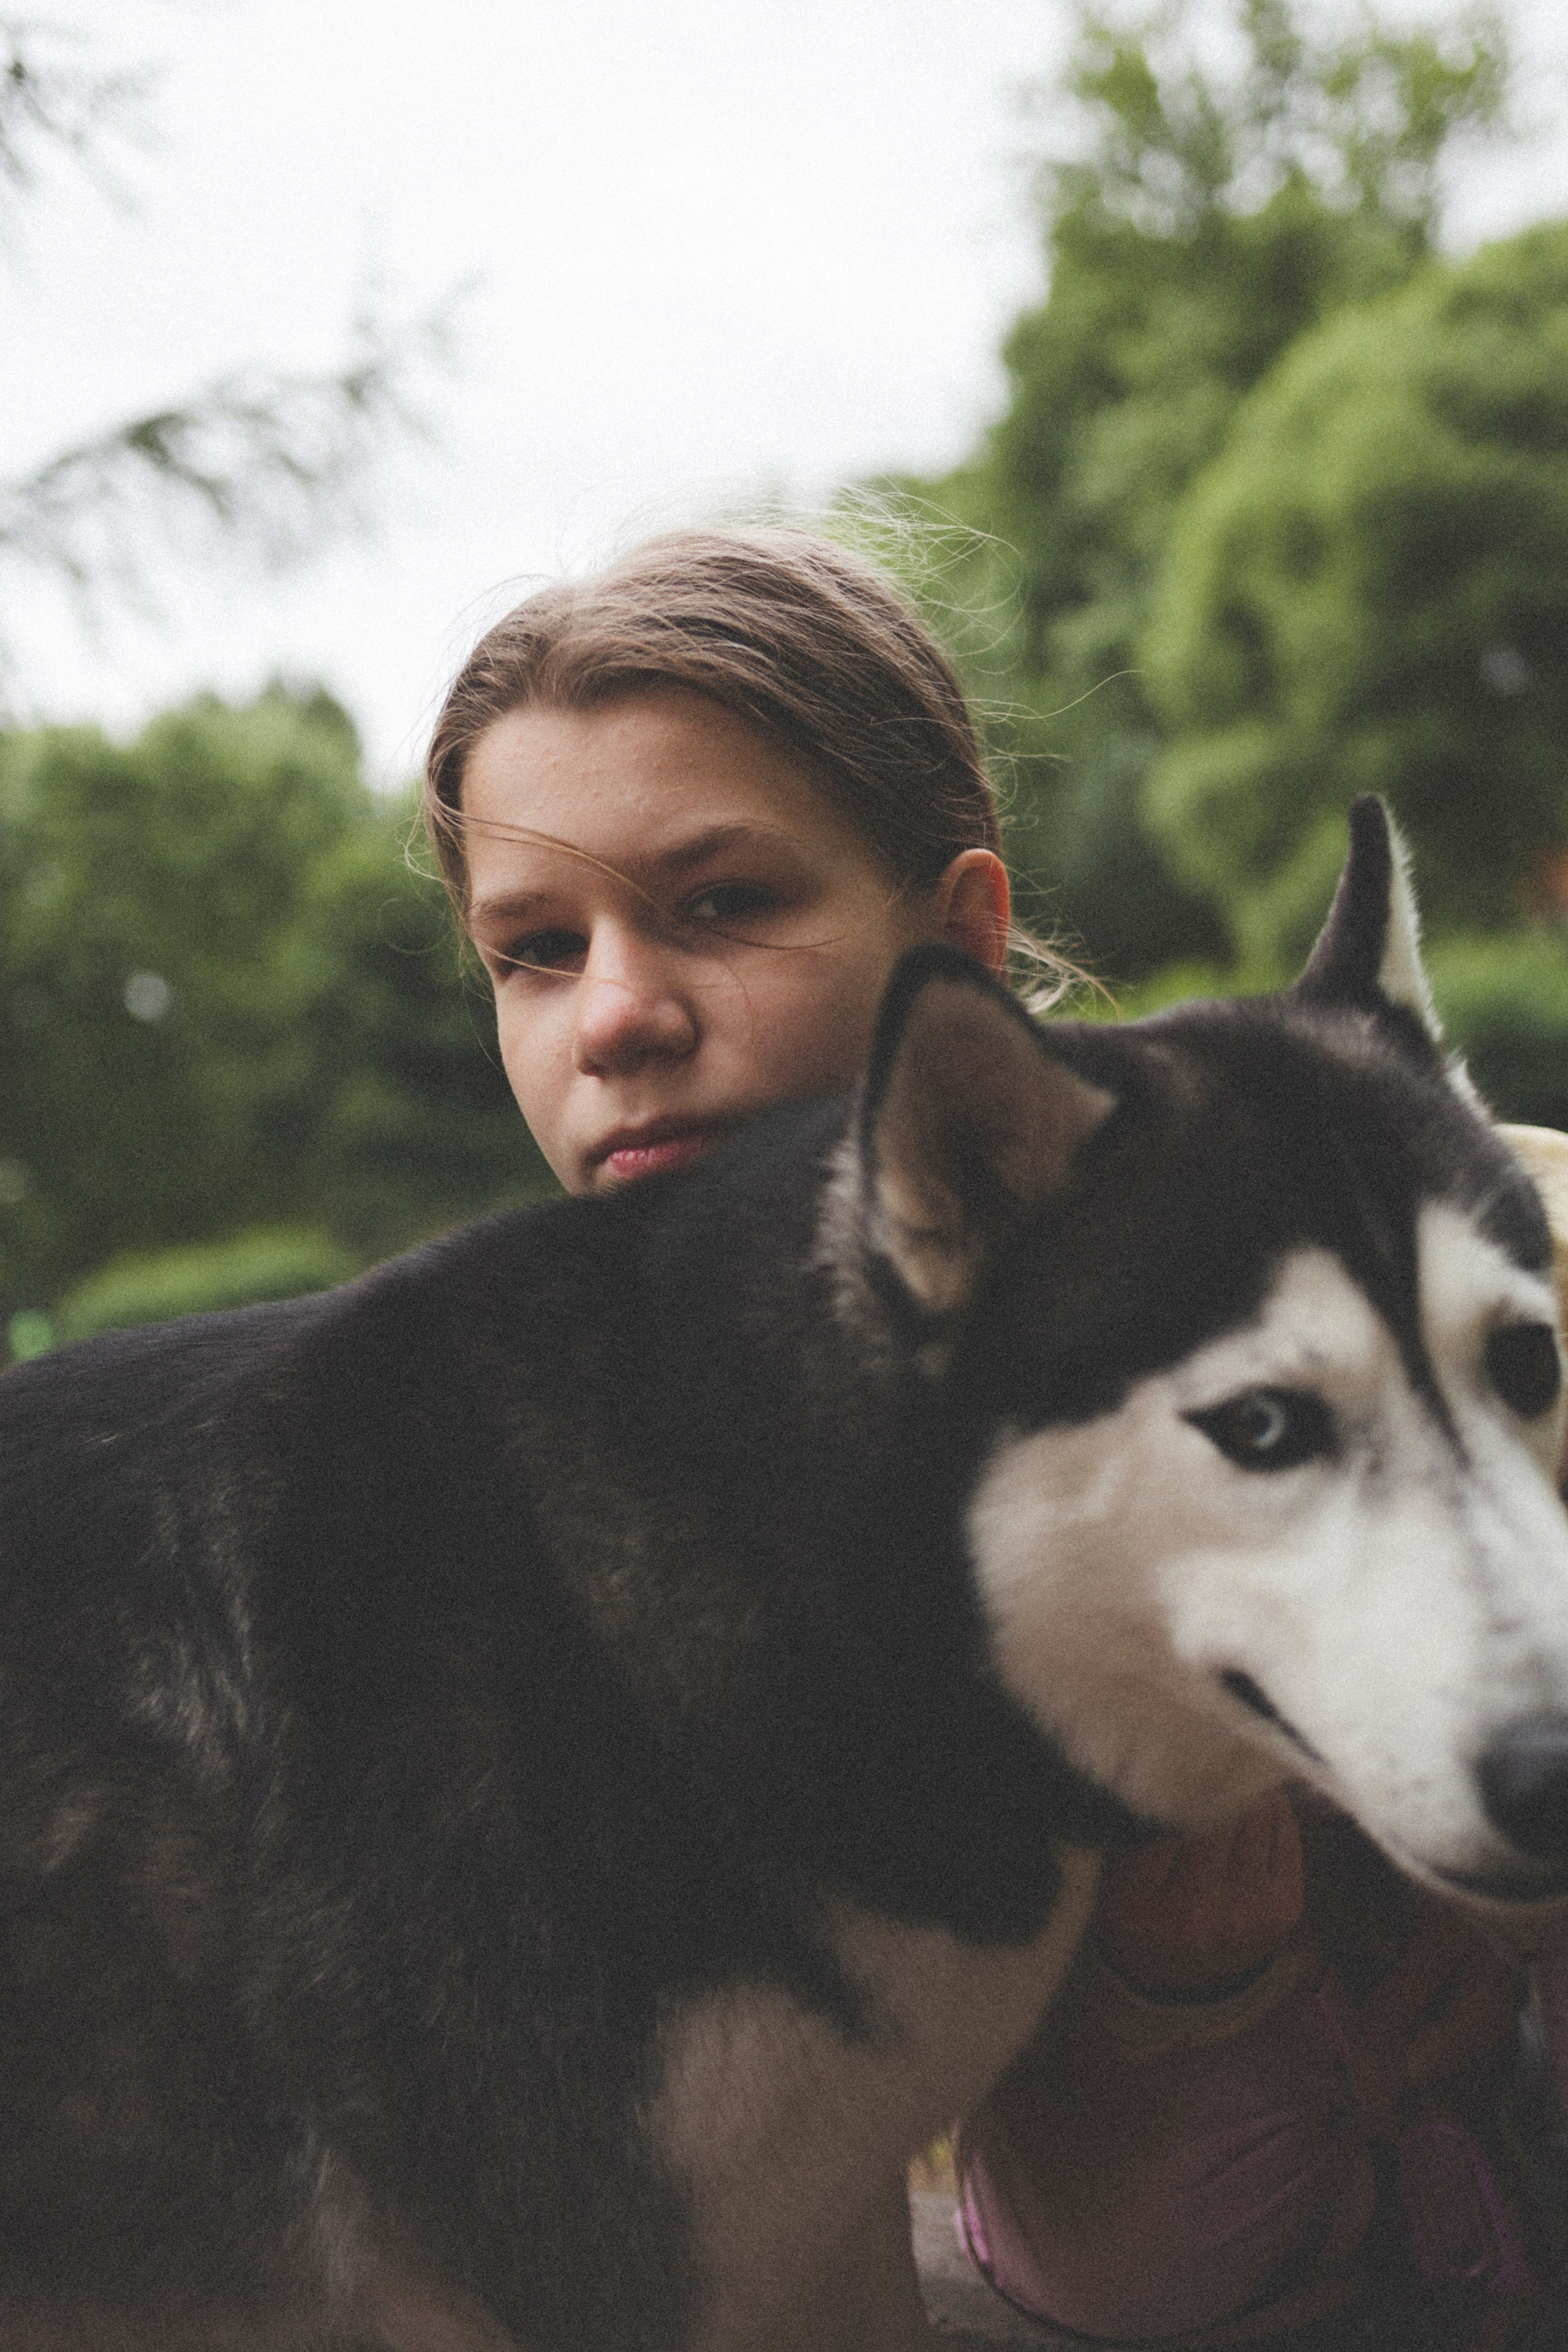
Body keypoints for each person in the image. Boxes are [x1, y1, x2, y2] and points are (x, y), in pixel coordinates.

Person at [421, 523, 1568, 2351]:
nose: (618, 1015)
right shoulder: (615, 1532)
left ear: (959, 930)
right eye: (536, 950)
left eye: (721, 901)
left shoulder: (1471, 1238)